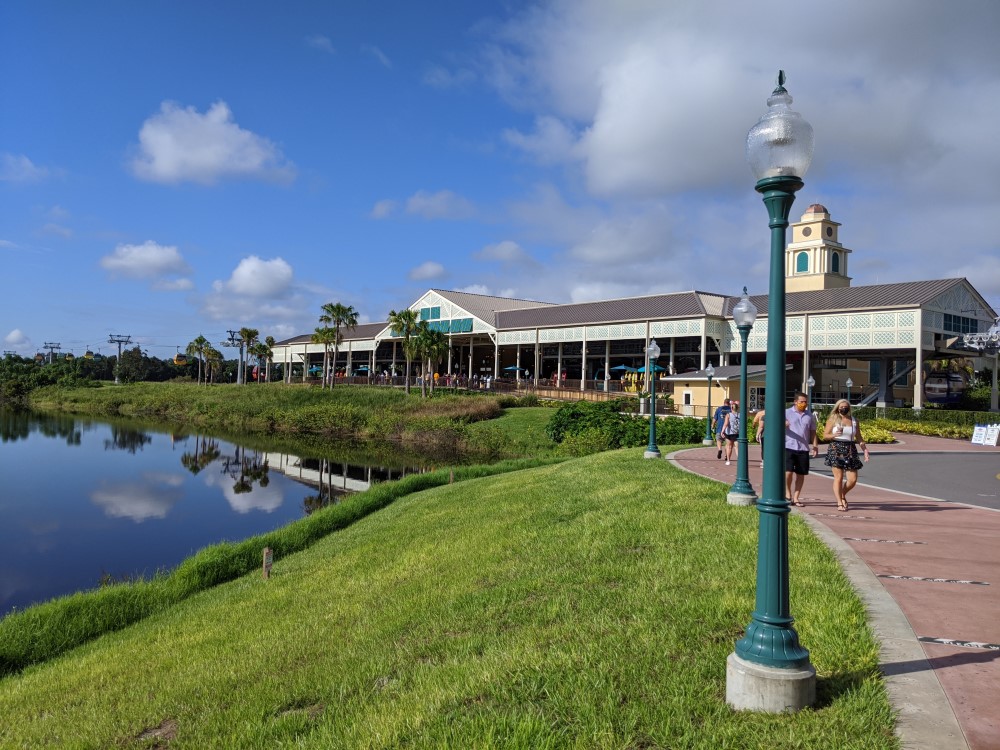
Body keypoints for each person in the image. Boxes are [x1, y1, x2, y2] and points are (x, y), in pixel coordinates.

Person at [822, 399, 870, 511]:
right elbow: (825, 435)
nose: (843, 408)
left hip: (850, 448)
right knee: (838, 478)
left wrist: (865, 450)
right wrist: (834, 435)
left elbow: (859, 437)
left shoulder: (854, 421)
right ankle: (839, 502)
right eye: (841, 407)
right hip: (836, 448)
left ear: (849, 408)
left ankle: (842, 493)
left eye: (845, 406)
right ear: (837, 408)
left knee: (852, 480)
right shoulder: (833, 419)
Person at [784, 392, 818, 507]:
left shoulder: (809, 415)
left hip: (803, 448)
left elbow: (813, 431)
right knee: (788, 472)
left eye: (805, 402)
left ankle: (796, 497)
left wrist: (815, 445)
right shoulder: (787, 412)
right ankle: (788, 494)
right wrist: (783, 424)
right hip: (788, 446)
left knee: (801, 474)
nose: (804, 404)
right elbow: (776, 424)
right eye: (801, 402)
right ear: (795, 402)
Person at [720, 400, 741, 466]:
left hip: (729, 433)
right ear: (737, 408)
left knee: (729, 447)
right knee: (737, 447)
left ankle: (728, 460)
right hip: (737, 432)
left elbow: (726, 424)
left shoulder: (728, 415)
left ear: (731, 408)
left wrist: (722, 431)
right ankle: (739, 460)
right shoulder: (740, 415)